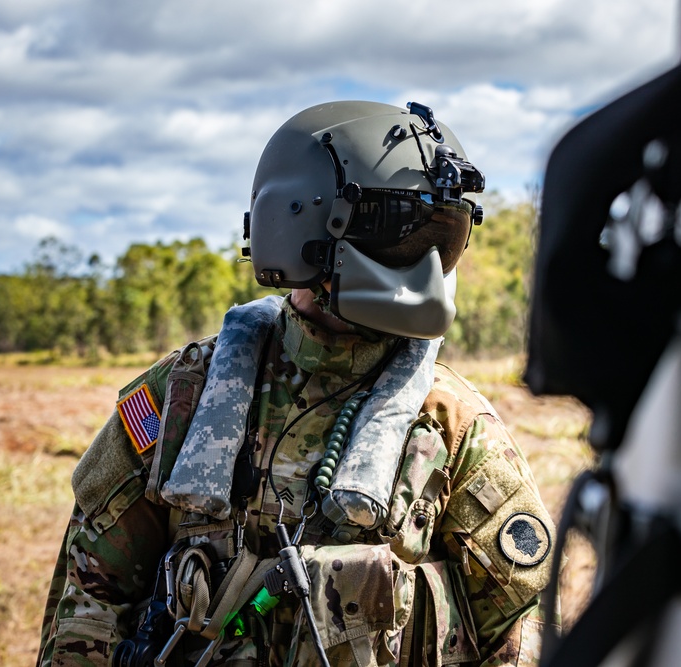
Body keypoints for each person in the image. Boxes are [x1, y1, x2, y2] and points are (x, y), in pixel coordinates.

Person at [37, 101, 557, 667]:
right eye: (399, 234)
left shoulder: (455, 429)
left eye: (441, 236)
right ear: (298, 224)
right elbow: (90, 603)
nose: (423, 265)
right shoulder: (182, 394)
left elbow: (521, 637)